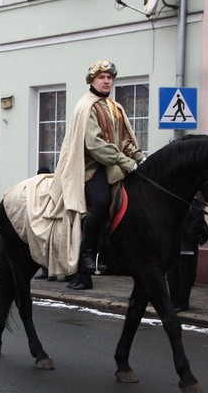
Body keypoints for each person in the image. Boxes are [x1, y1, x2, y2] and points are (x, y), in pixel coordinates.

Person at [59, 60, 146, 274]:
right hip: (91, 167)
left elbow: (124, 139)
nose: (106, 81)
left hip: (114, 164)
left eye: (109, 77)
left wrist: (139, 156)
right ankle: (87, 253)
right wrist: (125, 161)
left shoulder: (115, 107)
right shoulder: (86, 106)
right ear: (92, 80)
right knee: (101, 202)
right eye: (101, 77)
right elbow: (95, 144)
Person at [167, 199, 208, 312]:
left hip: (187, 248)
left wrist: (184, 234)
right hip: (173, 248)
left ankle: (182, 303)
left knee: (184, 277)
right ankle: (173, 301)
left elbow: (197, 224)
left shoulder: (195, 208)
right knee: (172, 276)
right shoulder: (174, 206)